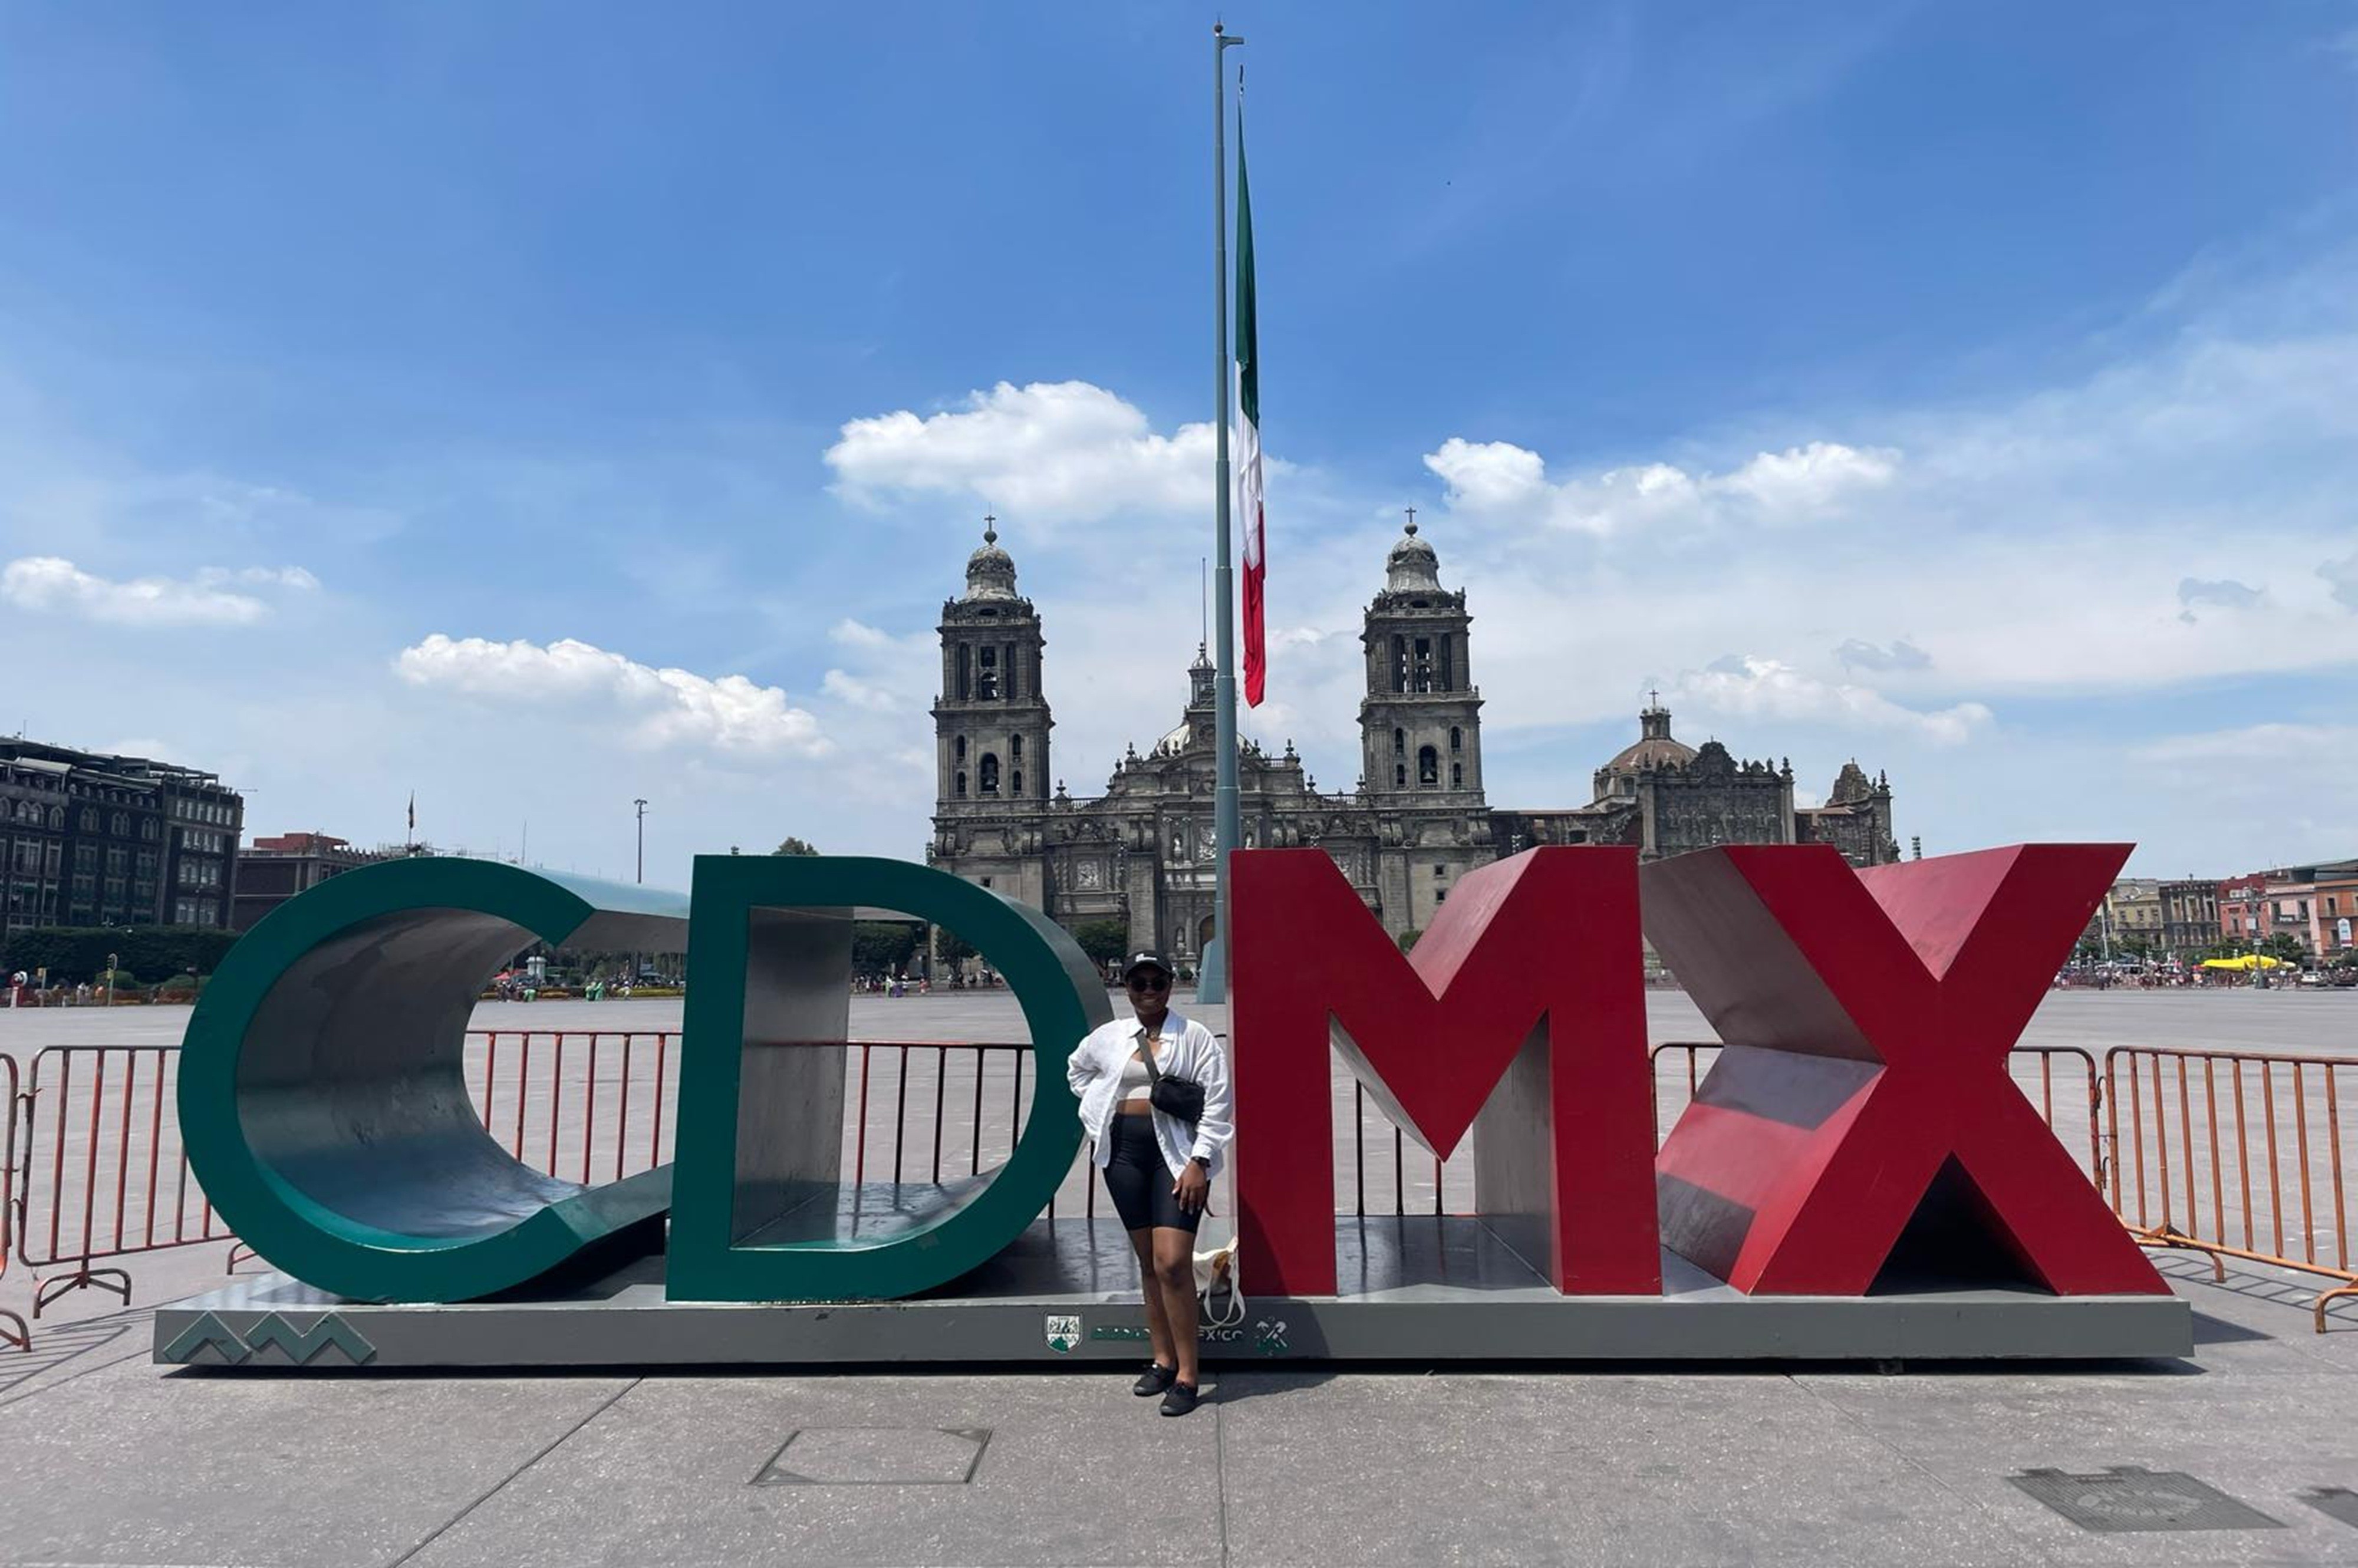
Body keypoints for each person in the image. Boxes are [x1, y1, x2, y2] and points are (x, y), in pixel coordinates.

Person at [1065, 950, 1233, 1416]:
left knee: (1174, 1262)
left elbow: (1218, 1102)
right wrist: (1098, 1103)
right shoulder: (1111, 1037)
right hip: (1122, 1154)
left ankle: (1188, 1375)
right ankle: (1162, 1360)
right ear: (1127, 988)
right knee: (1148, 1263)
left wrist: (1201, 1161)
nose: (1147, 990)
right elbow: (1077, 1068)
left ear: (1170, 985)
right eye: (1138, 982)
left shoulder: (1194, 1036)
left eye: (1156, 982)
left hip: (1176, 1158)